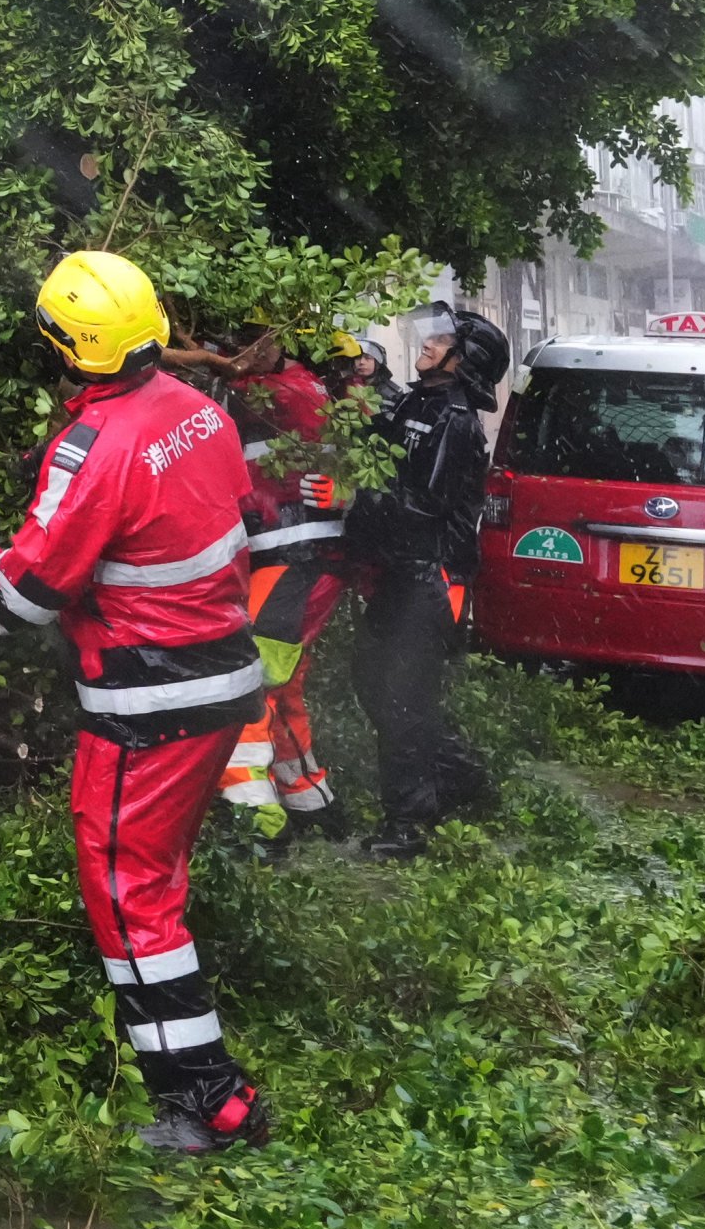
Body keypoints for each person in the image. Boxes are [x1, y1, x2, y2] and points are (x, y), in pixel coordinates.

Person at [0, 252, 275, 1152]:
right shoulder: (199, 410)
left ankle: (205, 1099)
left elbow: (21, 597)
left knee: (126, 892)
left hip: (147, 700)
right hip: (221, 680)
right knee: (157, 882)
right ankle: (198, 1084)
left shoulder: (89, 449)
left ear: (60, 343)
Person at [345, 304, 509, 856]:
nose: (429, 344)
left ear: (465, 361)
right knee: (373, 679)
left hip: (432, 576)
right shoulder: (418, 400)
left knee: (403, 698)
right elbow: (377, 450)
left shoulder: (455, 420)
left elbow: (424, 505)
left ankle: (409, 823)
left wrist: (352, 496)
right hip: (401, 572)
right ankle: (462, 777)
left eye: (442, 340)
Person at [218, 331, 355, 837]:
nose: (242, 352)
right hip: (296, 558)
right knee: (284, 683)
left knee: (248, 678)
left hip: (295, 558)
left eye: (253, 342)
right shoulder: (300, 387)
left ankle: (256, 821)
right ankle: (308, 799)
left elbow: (227, 391)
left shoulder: (286, 390)